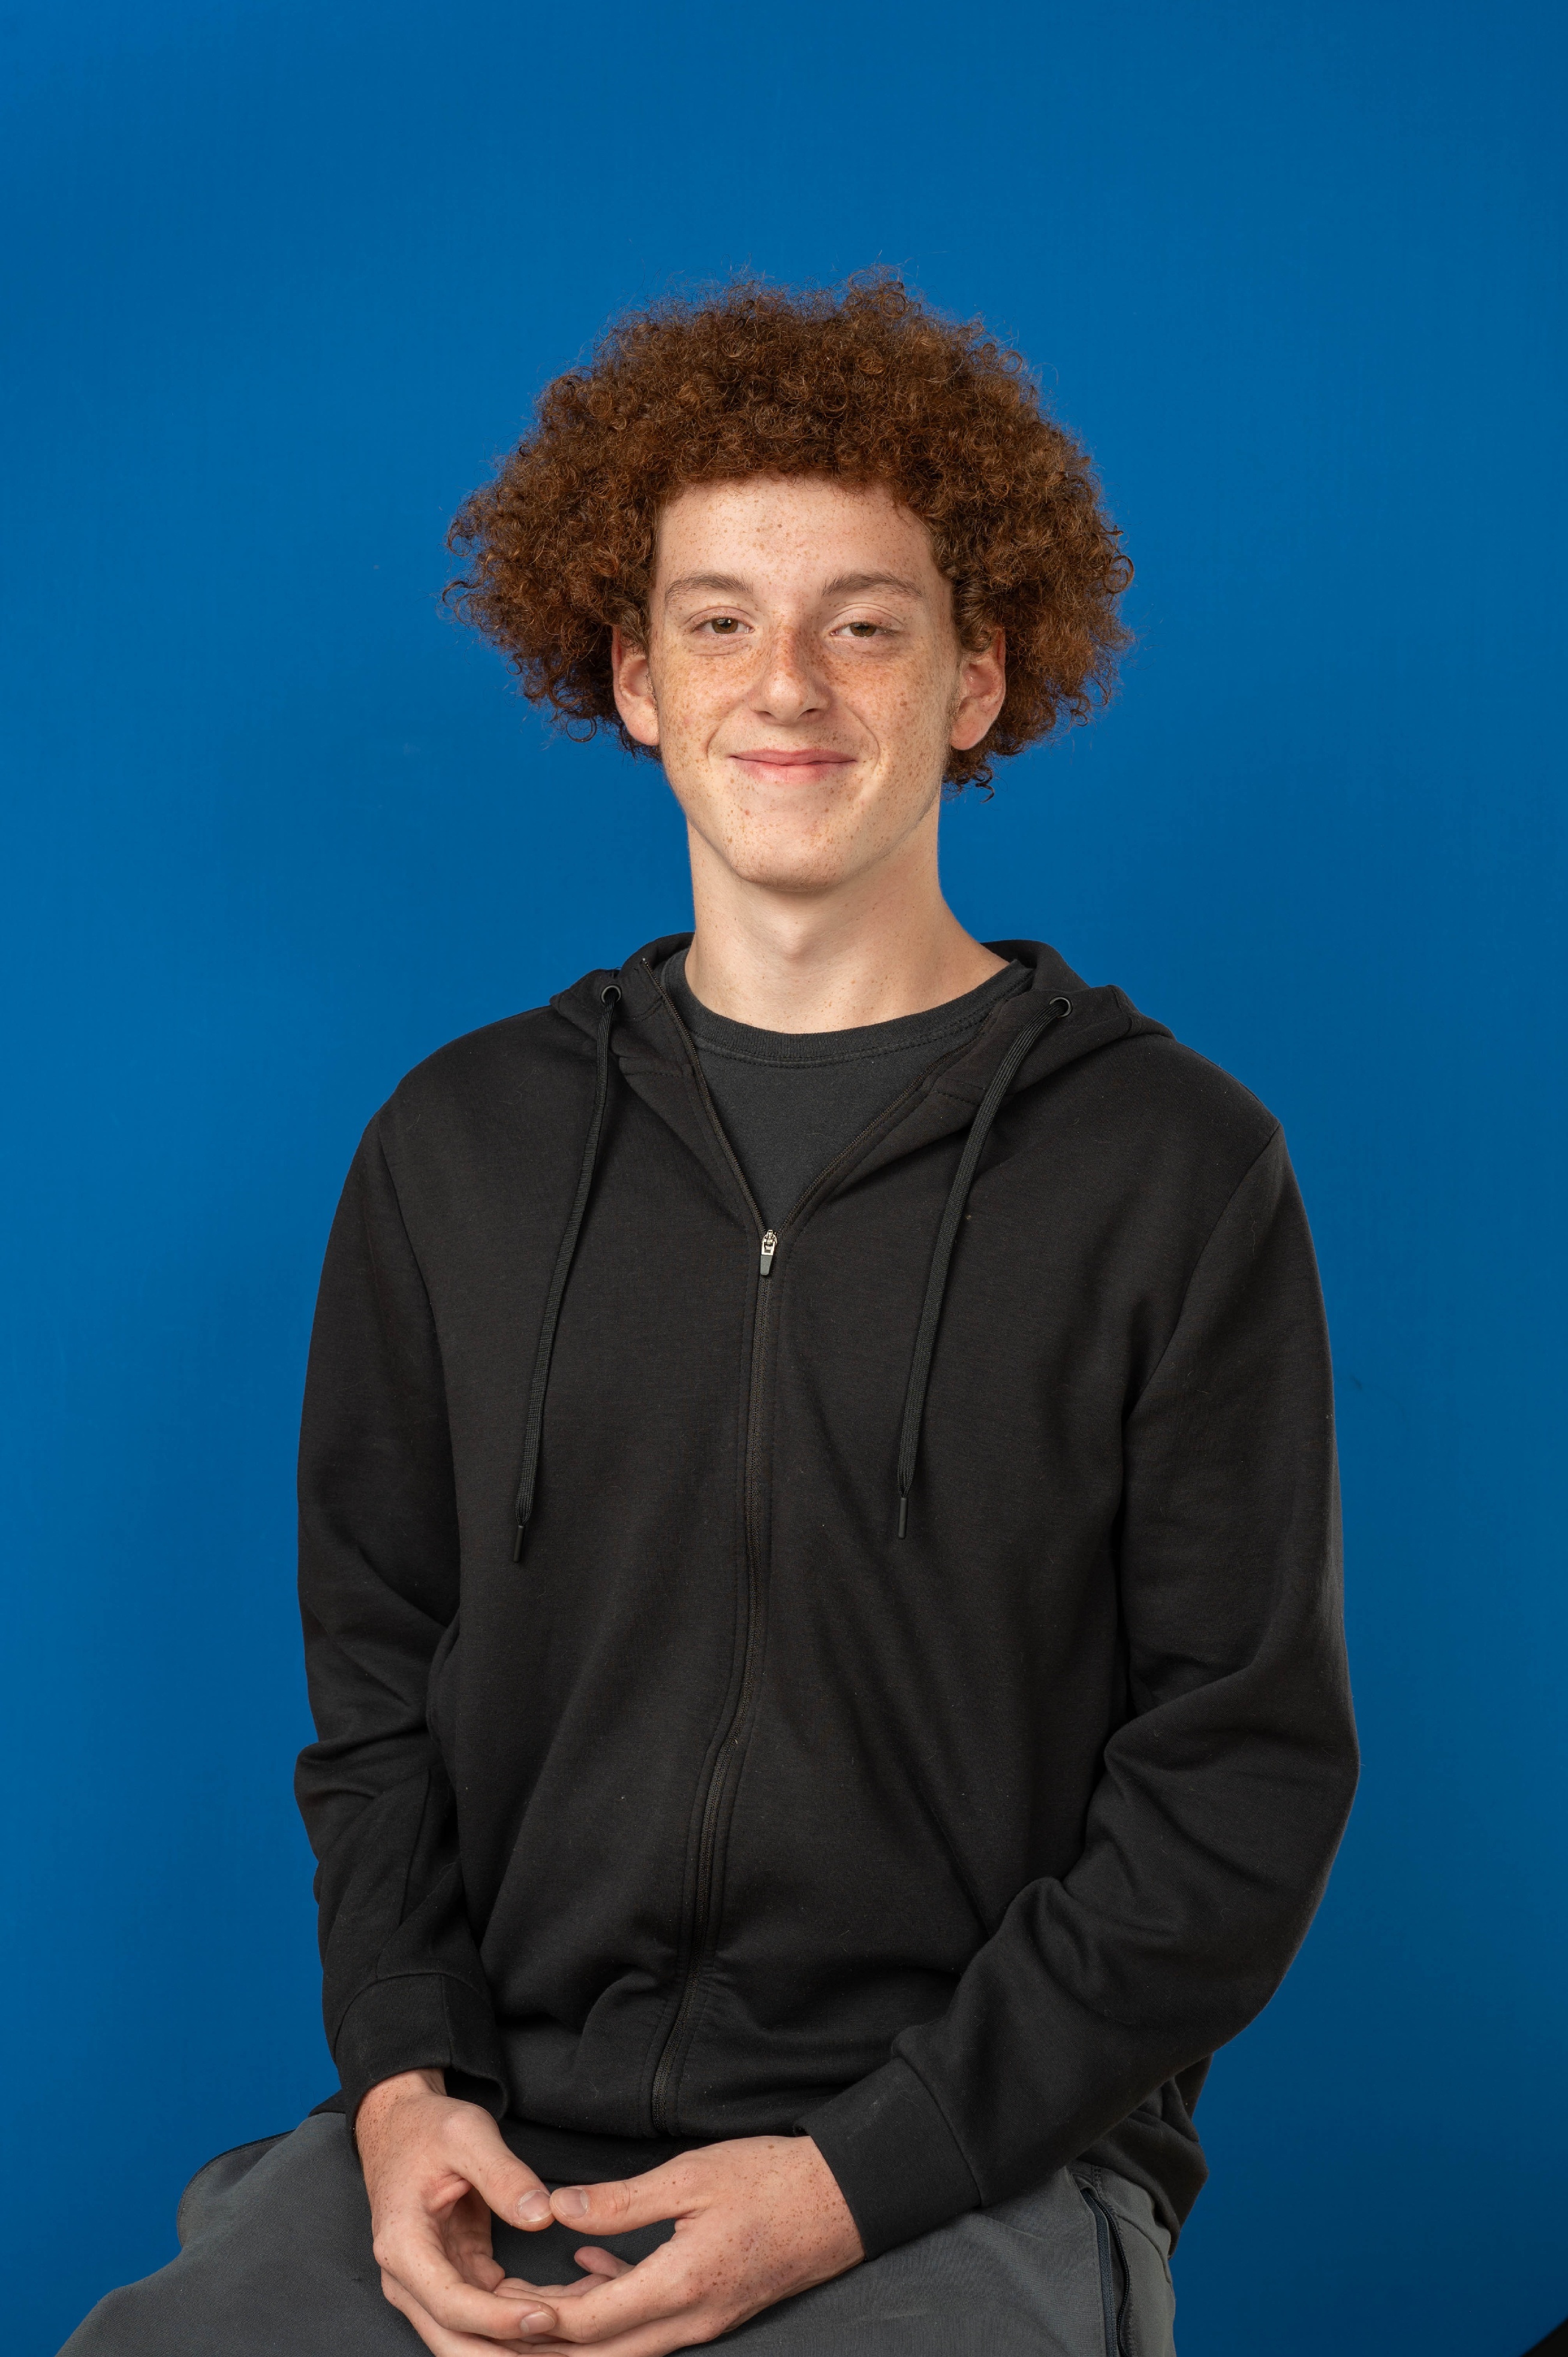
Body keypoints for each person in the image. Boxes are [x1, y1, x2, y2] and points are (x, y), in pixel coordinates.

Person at [62, 277, 1358, 2357]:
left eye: (868, 623)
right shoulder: (460, 1146)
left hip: (960, 2162)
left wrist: (851, 2178)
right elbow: (376, 1697)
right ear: (636, 677)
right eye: (721, 619)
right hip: (498, 2135)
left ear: (979, 676)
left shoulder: (1173, 1168)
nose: (790, 686)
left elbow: (1239, 1783)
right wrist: (402, 2089)